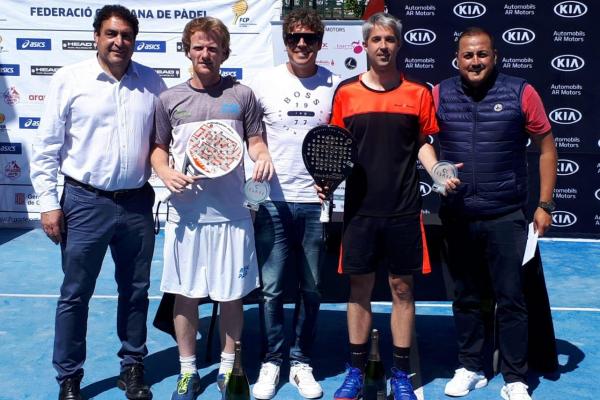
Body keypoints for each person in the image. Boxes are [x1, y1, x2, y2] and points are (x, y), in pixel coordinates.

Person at [29, 5, 166, 400]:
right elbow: (46, 148)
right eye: (111, 34)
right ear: (96, 36)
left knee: (136, 290)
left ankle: (132, 367)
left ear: (134, 40)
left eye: (126, 35)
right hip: (83, 202)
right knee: (75, 293)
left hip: (138, 203)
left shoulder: (152, 83)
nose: (119, 42)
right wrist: (49, 203)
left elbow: (163, 144)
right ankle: (69, 376)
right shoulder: (69, 80)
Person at [328, 12, 456, 400]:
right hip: (359, 212)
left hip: (403, 210)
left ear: (399, 45)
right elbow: (336, 149)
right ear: (365, 46)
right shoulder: (346, 93)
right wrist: (326, 181)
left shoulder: (418, 93)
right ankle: (355, 369)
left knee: (403, 289)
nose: (383, 46)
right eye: (376, 40)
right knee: (359, 289)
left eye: (389, 40)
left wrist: (437, 171)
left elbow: (423, 143)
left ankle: (401, 372)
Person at [150, 17, 273, 400]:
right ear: (188, 50)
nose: (206, 53)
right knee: (185, 295)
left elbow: (254, 140)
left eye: (213, 47)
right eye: (199, 46)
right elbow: (156, 149)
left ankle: (227, 368)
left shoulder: (244, 95)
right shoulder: (169, 99)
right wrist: (166, 170)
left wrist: (263, 154)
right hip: (186, 215)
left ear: (225, 52)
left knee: (231, 295)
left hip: (234, 214)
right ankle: (187, 372)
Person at [433, 27, 557, 400]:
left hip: (506, 216)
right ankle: (471, 366)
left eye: (482, 54)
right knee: (466, 297)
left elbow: (547, 149)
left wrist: (545, 204)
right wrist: (438, 171)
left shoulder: (522, 92)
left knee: (512, 299)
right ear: (457, 58)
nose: (475, 61)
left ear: (495, 56)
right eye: (468, 55)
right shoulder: (439, 94)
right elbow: (420, 141)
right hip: (457, 215)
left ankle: (515, 377)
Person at [246, 8, 341, 400]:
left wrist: (333, 180)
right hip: (272, 202)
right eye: (294, 38)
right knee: (270, 289)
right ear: (285, 42)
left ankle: (301, 362)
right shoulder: (262, 82)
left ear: (320, 43)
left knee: (313, 288)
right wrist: (261, 152)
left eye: (309, 38)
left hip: (315, 204)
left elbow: (343, 142)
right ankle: (272, 359)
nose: (301, 44)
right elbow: (252, 133)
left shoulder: (336, 84)